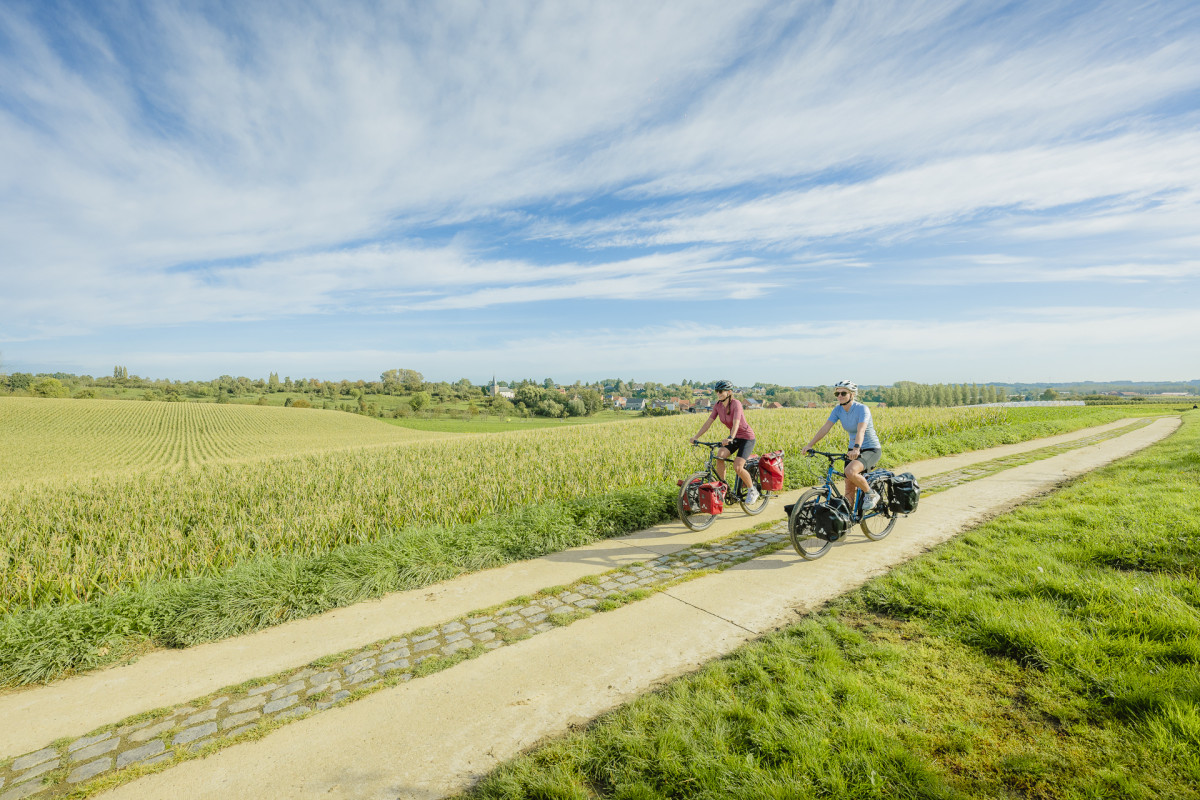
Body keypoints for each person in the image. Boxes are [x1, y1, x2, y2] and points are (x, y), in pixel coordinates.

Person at [801, 380, 882, 511]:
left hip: (870, 449)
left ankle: (871, 494)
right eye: (837, 393)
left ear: (852, 394)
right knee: (849, 484)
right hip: (853, 449)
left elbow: (861, 430)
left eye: (843, 393)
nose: (839, 396)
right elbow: (825, 428)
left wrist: (856, 448)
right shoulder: (838, 410)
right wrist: (810, 445)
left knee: (850, 471)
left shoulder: (862, 409)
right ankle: (848, 516)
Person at [690, 380, 759, 504]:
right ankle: (723, 488)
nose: (718, 393)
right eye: (717, 391)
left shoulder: (736, 404)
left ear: (729, 392)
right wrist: (696, 437)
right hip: (734, 437)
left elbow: (736, 422)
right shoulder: (718, 406)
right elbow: (708, 423)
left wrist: (731, 437)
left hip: (746, 438)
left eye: (721, 391)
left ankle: (752, 490)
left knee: (737, 466)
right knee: (720, 456)